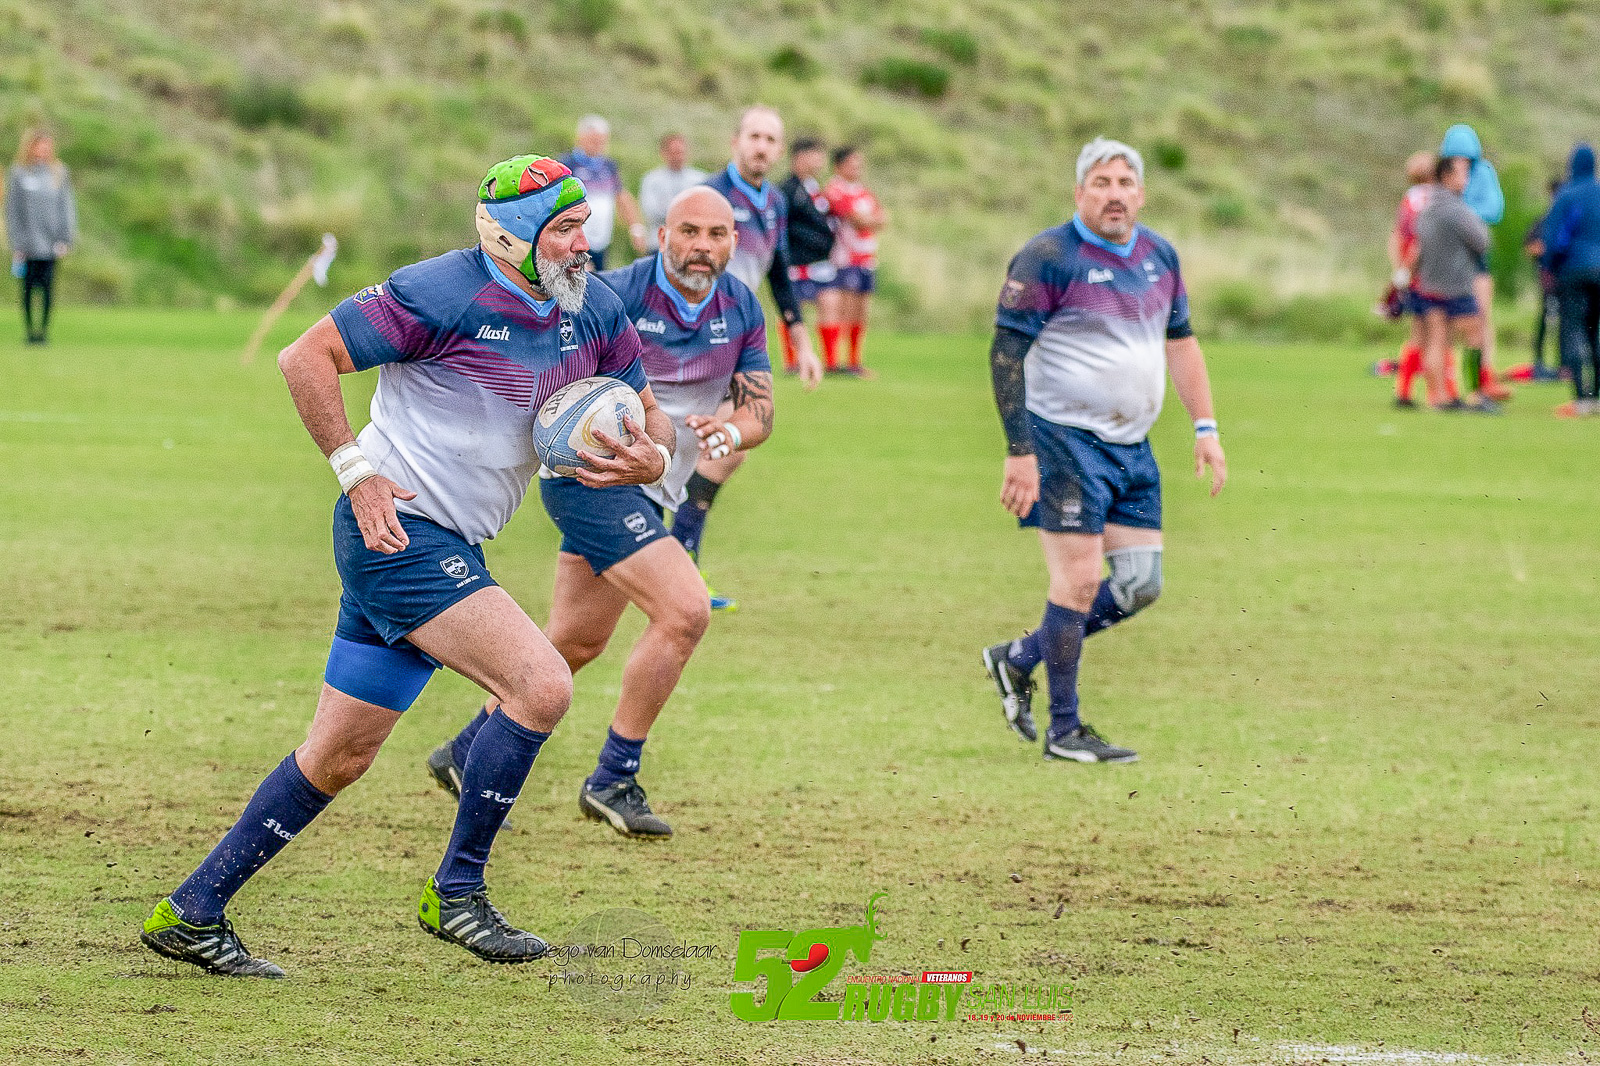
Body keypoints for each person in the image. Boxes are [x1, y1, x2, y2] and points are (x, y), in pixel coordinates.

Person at [139, 155, 674, 977]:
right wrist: (356, 472)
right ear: (512, 237)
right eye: (564, 230)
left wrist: (650, 457)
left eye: (583, 227)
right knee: (540, 685)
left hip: (446, 544)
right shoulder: (440, 292)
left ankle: (192, 911)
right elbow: (305, 356)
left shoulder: (594, 308)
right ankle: (457, 893)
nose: (583, 245)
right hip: (396, 535)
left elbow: (652, 415)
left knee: (338, 756)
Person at [429, 187, 774, 838]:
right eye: (689, 231)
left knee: (578, 640)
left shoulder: (742, 305)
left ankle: (466, 751)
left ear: (735, 242)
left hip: (654, 488)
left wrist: (730, 433)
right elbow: (540, 361)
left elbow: (760, 410)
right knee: (685, 611)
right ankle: (613, 777)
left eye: (717, 235)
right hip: (592, 479)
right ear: (662, 234)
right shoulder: (612, 295)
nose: (702, 247)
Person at [979, 138, 1225, 764]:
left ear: (1141, 193)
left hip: (1131, 445)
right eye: (1102, 183)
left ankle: (1019, 658)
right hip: (1062, 439)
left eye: (1125, 183)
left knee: (1140, 584)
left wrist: (1205, 427)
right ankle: (1065, 731)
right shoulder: (1048, 257)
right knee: (1081, 580)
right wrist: (1019, 451)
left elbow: (1181, 344)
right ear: (1079, 192)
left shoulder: (1159, 257)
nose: (1115, 194)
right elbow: (1005, 354)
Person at [686, 105, 822, 609]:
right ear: (736, 140)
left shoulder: (775, 201)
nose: (761, 146)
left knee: (727, 443)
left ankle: (676, 560)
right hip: (695, 337)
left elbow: (778, 270)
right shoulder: (708, 195)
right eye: (754, 136)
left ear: (779, 149)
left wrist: (801, 339)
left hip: (738, 339)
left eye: (770, 139)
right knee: (711, 443)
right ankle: (664, 559)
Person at [1414, 155, 1495, 413]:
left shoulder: (1427, 208)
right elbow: (1482, 241)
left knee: (1437, 341)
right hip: (1456, 284)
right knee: (1474, 335)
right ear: (1447, 176)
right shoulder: (1456, 209)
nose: (1466, 180)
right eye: (1462, 174)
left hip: (1430, 283)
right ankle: (1475, 394)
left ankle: (1438, 397)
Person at [1439, 124, 1513, 403]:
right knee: (1445, 319)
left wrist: (1461, 214)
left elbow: (1494, 209)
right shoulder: (1442, 177)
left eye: (1466, 160)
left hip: (1475, 255)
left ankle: (1484, 376)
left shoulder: (1483, 174)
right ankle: (1448, 383)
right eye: (1455, 159)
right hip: (1448, 256)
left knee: (1481, 316)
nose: (1461, 165)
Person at [1389, 151, 1460, 408]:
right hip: (1433, 273)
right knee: (1441, 335)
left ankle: (1404, 391)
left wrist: (1400, 271)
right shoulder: (1437, 198)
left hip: (1412, 274)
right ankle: (1442, 392)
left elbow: (1397, 236)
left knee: (1418, 335)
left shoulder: (1409, 198)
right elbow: (1423, 240)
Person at [1543, 143, 1600, 417]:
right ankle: (1597, 395)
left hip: (1574, 270)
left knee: (1574, 329)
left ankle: (1581, 397)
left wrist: (1549, 268)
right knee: (1596, 331)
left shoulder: (1567, 195)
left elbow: (1555, 238)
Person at [5, 128, 76, 345]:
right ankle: (30, 332)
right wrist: (17, 242)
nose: (43, 150)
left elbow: (66, 207)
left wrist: (65, 238)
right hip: (27, 244)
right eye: (39, 146)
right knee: (27, 289)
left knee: (47, 288)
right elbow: (13, 211)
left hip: (50, 243)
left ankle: (43, 332)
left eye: (47, 146)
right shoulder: (19, 173)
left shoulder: (58, 172)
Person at [823, 145, 887, 377]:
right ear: (839, 166)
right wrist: (869, 220)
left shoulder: (863, 191)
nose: (857, 168)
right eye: (852, 164)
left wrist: (869, 220)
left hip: (866, 259)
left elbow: (883, 218)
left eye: (859, 164)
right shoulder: (835, 190)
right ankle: (833, 362)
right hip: (845, 259)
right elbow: (857, 219)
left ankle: (853, 361)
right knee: (844, 311)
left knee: (861, 312)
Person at [780, 137, 839, 377]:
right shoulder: (787, 190)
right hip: (797, 263)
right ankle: (792, 361)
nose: (820, 161)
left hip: (821, 262)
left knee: (830, 304)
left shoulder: (815, 188)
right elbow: (786, 226)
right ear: (800, 157)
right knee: (793, 309)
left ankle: (831, 362)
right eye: (816, 155)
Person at [560, 115, 648, 271]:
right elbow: (559, 205)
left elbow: (621, 196)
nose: (598, 146)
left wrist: (636, 228)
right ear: (581, 138)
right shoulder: (567, 164)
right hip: (576, 240)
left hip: (602, 239)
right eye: (594, 141)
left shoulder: (608, 166)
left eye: (602, 141)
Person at [1523, 179, 1564, 382]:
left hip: (1566, 280)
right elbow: (1530, 246)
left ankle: (1564, 364)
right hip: (1548, 280)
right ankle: (1539, 362)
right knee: (1545, 321)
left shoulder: (1564, 220)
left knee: (1566, 322)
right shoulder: (1543, 222)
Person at [639, 132, 707, 253]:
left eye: (680, 152)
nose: (678, 156)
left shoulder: (700, 179)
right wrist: (688, 214)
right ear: (663, 153)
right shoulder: (651, 180)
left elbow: (705, 210)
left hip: (691, 246)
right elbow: (652, 212)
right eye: (674, 152)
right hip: (659, 244)